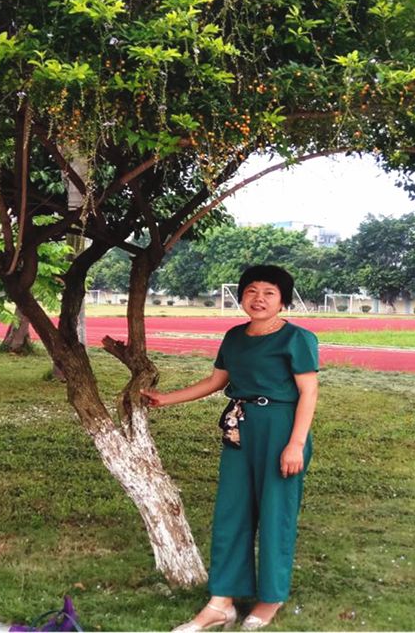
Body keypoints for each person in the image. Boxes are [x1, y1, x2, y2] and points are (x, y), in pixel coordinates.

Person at [141, 265, 319, 632]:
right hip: (240, 429)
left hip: (281, 429)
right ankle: (221, 602)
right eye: (251, 291)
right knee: (231, 513)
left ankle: (270, 597)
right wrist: (166, 398)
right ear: (241, 297)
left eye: (269, 293)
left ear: (283, 300)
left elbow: (309, 392)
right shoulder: (234, 337)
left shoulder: (298, 339)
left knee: (275, 514)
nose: (259, 299)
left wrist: (296, 444)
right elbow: (216, 381)